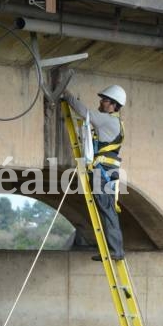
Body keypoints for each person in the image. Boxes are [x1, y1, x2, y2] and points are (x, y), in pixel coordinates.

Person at [63, 85, 127, 261]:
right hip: (106, 171)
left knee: (107, 210)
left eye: (105, 100)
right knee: (107, 209)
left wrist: (66, 95)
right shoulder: (115, 122)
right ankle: (114, 249)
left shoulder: (107, 120)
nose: (101, 102)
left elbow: (84, 112)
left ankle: (115, 251)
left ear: (113, 105)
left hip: (103, 172)